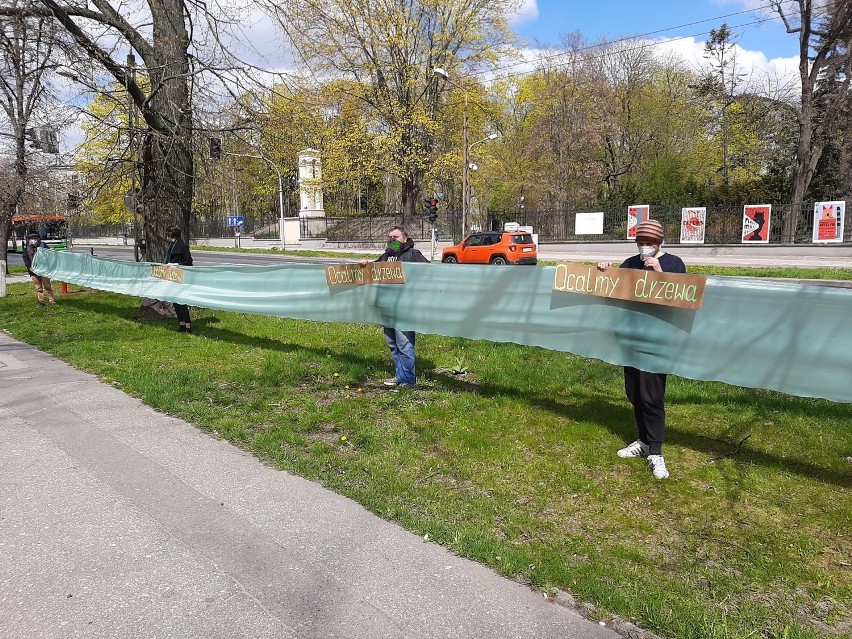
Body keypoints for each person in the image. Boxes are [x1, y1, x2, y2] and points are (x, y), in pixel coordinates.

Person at [597, 219, 686, 480]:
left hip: (657, 338)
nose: (645, 248)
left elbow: (681, 298)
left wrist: (659, 271)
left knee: (652, 394)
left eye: (650, 243)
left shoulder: (673, 264)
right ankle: (644, 440)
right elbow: (612, 289)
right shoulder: (631, 263)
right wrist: (605, 271)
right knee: (634, 391)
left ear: (659, 243)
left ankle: (656, 451)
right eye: (641, 243)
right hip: (631, 336)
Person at [361, 225, 429, 388]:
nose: (391, 239)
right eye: (390, 237)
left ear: (405, 239)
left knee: (404, 344)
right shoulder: (386, 255)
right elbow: (374, 270)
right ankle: (400, 375)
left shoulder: (413, 254)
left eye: (395, 237)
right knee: (393, 343)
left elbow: (428, 272)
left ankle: (408, 380)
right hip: (387, 306)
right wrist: (366, 264)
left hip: (404, 307)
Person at [163, 225, 194, 333]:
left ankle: (188, 326)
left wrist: (176, 264)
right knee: (174, 300)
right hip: (172, 275)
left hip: (179, 275)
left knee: (181, 301)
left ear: (170, 235)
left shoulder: (182, 246)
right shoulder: (172, 245)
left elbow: (189, 261)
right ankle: (181, 324)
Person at [22, 233, 57, 307]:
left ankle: (52, 301)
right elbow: (25, 259)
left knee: (47, 286)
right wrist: (29, 267)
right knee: (38, 287)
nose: (33, 240)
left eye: (35, 238)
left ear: (38, 239)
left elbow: (50, 256)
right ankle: (41, 302)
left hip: (44, 271)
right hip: (33, 271)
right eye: (31, 239)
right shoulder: (27, 248)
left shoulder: (43, 246)